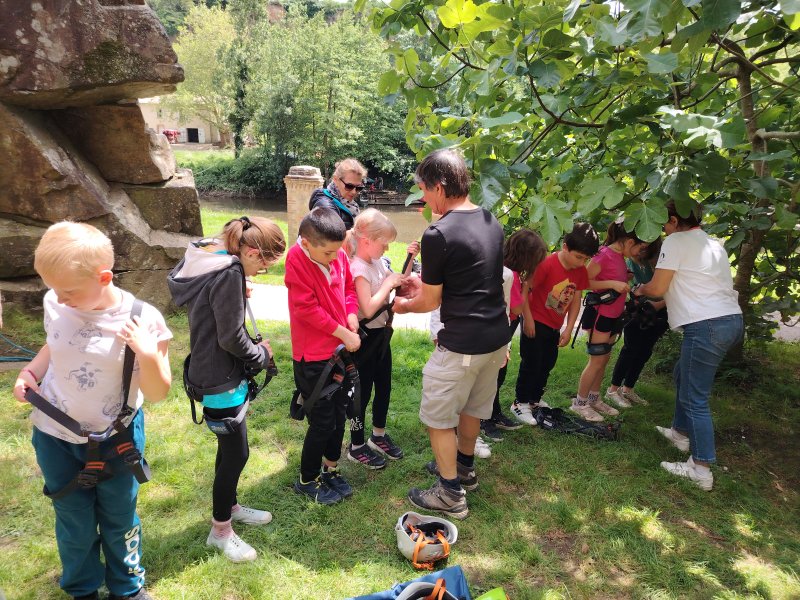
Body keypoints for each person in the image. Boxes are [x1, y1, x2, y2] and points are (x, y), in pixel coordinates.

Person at [13, 222, 172, 600]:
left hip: (117, 440)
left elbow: (158, 392)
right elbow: (54, 344)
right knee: (73, 521)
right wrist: (30, 372)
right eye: (53, 289)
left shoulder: (143, 319)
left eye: (68, 291)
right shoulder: (57, 302)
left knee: (120, 519)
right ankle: (82, 589)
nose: (58, 298)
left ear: (103, 277)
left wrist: (147, 354)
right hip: (55, 438)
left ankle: (127, 588)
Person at [394, 149, 510, 520]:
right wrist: (425, 285)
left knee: (438, 418)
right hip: (496, 338)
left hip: (462, 343)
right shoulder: (490, 221)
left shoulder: (438, 233)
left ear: (440, 187)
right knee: (474, 408)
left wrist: (402, 305)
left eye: (425, 190)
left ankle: (449, 493)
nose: (424, 199)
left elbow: (430, 301)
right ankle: (465, 469)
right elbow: (471, 280)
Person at [168, 216, 285, 562]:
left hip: (211, 369)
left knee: (230, 448)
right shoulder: (229, 273)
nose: (262, 271)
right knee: (237, 454)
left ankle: (230, 507)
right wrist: (261, 356)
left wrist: (234, 294)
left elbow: (214, 306)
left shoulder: (211, 255)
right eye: (263, 264)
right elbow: (232, 337)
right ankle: (220, 532)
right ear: (251, 252)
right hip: (219, 376)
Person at [634, 202, 743, 491]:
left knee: (696, 398)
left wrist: (639, 289)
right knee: (683, 373)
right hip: (730, 320)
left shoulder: (676, 241)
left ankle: (701, 469)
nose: (662, 228)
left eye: (663, 222)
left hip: (706, 325)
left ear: (673, 220)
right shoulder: (713, 244)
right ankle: (679, 433)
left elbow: (658, 287)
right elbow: (688, 285)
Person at [285, 207, 362, 505]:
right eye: (328, 253)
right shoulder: (296, 259)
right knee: (322, 421)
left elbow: (348, 289)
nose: (335, 257)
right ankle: (307, 479)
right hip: (313, 357)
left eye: (337, 251)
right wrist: (343, 333)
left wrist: (351, 315)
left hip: (340, 350)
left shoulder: (336, 252)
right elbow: (306, 309)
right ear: (306, 243)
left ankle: (330, 468)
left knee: (340, 414)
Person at [346, 209, 416, 468]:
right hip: (363, 340)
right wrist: (387, 284)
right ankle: (356, 445)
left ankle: (378, 435)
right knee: (360, 395)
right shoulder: (358, 268)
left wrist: (409, 262)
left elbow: (397, 281)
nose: (387, 248)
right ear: (367, 240)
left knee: (383, 387)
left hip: (381, 337)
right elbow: (367, 308)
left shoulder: (377, 263)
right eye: (384, 243)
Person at [510, 223, 599, 426]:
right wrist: (528, 319)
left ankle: (534, 400)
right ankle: (520, 402)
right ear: (565, 247)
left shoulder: (580, 271)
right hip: (535, 320)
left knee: (547, 363)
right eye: (579, 257)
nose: (582, 262)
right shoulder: (546, 264)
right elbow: (525, 289)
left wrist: (568, 328)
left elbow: (576, 299)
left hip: (554, 325)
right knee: (531, 363)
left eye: (586, 259)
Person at [572, 220, 644, 421]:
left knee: (603, 360)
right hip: (599, 315)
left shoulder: (620, 257)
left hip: (614, 316)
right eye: (640, 248)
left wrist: (623, 278)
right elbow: (583, 281)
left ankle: (594, 398)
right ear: (630, 242)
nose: (639, 253)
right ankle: (579, 403)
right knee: (596, 361)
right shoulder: (604, 254)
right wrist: (613, 283)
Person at [480, 228, 548, 441]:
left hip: (502, 328)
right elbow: (517, 307)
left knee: (498, 374)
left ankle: (494, 412)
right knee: (492, 376)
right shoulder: (510, 275)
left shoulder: (507, 269)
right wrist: (526, 287)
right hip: (499, 328)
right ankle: (483, 419)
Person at [606, 238, 669, 407]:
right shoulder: (628, 261)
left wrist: (659, 304)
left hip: (659, 312)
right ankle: (613, 390)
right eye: (640, 247)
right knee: (630, 349)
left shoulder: (658, 263)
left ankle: (628, 389)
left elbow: (671, 289)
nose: (641, 251)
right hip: (637, 310)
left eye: (646, 248)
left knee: (645, 351)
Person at [308, 158, 367, 231]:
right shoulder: (325, 206)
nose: (354, 192)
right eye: (349, 186)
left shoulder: (348, 203)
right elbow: (330, 236)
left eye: (359, 187)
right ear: (336, 179)